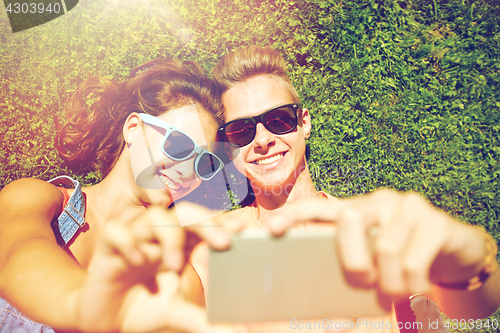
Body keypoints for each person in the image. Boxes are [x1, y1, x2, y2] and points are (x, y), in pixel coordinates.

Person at [182, 45, 500, 332]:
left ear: (304, 122)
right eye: (241, 131)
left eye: (279, 120)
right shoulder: (203, 245)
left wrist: (469, 256)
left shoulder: (374, 228)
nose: (263, 140)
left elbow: (475, 309)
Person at [0, 57, 238, 333]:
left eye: (203, 162)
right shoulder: (35, 198)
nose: (187, 170)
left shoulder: (179, 281)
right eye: (180, 145)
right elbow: (16, 257)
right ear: (134, 128)